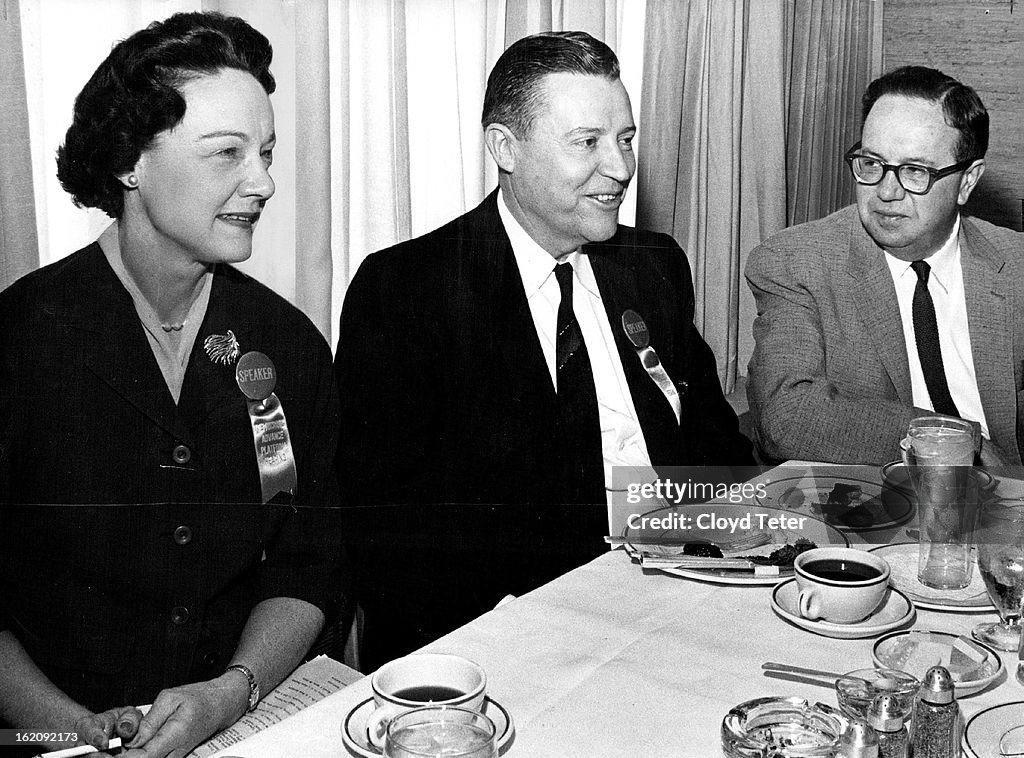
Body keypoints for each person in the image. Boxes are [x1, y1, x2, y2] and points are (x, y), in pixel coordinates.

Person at [336, 31, 752, 671]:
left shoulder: (653, 266)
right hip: (508, 640)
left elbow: (716, 451)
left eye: (625, 138)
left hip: (685, 604)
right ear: (505, 148)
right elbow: (391, 538)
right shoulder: (408, 291)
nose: (619, 167)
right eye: (587, 142)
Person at [0, 12, 346, 757]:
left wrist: (232, 691)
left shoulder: (288, 346)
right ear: (130, 161)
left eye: (267, 152)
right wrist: (73, 727)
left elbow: (308, 561)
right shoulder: (18, 339)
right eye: (227, 154)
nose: (264, 182)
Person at [746, 65, 1024, 467]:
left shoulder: (1014, 266)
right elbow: (787, 418)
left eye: (915, 171)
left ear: (966, 182)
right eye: (872, 164)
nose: (886, 192)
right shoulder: (794, 263)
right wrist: (956, 440)